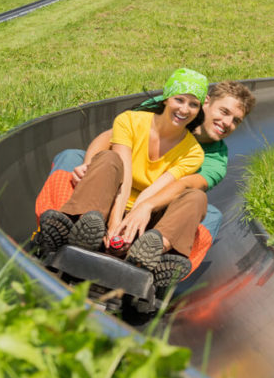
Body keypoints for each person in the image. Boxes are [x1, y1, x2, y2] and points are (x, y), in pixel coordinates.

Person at [34, 78, 256, 289]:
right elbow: (113, 137)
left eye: (236, 120)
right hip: (114, 188)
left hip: (154, 213)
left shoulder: (215, 160)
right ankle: (60, 226)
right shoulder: (165, 108)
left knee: (210, 214)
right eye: (224, 112)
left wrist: (143, 210)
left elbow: (184, 185)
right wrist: (89, 163)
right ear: (206, 102)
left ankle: (158, 261)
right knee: (72, 157)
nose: (227, 123)